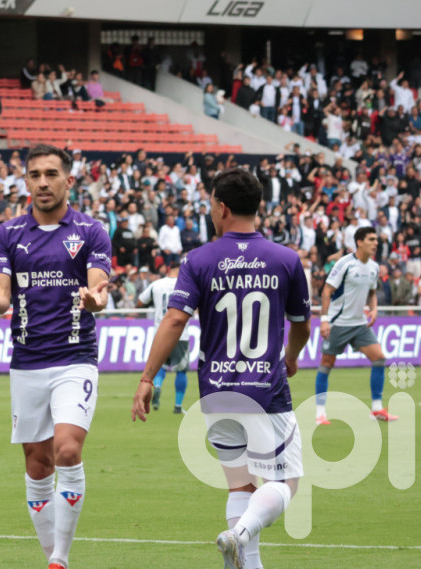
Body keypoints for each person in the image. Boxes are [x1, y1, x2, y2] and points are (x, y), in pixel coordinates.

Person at [131, 168, 311, 569]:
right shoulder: (286, 259)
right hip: (266, 391)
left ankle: (248, 562)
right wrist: (293, 357)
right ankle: (239, 536)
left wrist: (147, 378)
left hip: (216, 393)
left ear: (222, 207)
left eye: (212, 203)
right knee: (285, 483)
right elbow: (302, 324)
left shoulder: (199, 259)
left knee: (240, 484)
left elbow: (175, 320)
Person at [0, 144, 112, 569]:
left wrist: (94, 300)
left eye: (50, 174)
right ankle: (52, 557)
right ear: (25, 181)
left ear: (68, 180)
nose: (42, 182)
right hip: (26, 362)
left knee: (66, 450)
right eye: (34, 175)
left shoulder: (91, 231)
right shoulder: (9, 234)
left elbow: (99, 288)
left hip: (74, 358)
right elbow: (2, 295)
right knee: (38, 463)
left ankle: (59, 558)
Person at [315, 227, 397, 425]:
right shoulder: (345, 264)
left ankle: (376, 409)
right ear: (359, 242)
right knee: (327, 364)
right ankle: (320, 413)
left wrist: (374, 309)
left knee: (379, 358)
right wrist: (324, 320)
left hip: (359, 323)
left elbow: (372, 293)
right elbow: (326, 291)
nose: (375, 243)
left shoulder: (374, 267)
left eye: (376, 239)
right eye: (371, 239)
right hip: (338, 323)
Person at [136, 260, 189, 414]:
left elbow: (140, 301)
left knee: (159, 365)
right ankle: (178, 406)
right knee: (182, 370)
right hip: (181, 333)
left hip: (160, 331)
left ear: (168, 269)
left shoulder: (156, 284)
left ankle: (157, 386)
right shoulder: (185, 283)